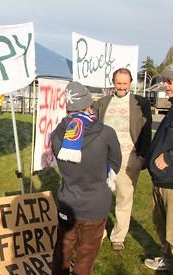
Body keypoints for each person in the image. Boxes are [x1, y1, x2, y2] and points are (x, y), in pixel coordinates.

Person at [51, 81, 122, 275]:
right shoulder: (107, 133)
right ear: (89, 105)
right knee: (86, 256)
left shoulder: (57, 134)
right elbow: (115, 164)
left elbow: (64, 164)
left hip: (68, 201)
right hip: (96, 204)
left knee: (62, 252)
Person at [93, 68, 152, 251]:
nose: (121, 87)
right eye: (118, 83)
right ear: (113, 82)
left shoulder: (140, 103)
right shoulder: (102, 103)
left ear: (131, 83)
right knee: (99, 198)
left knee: (124, 199)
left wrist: (141, 156)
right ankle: (98, 234)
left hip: (129, 159)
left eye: (125, 83)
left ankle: (118, 237)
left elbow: (146, 130)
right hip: (104, 159)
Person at [144, 64, 173, 272]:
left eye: (170, 81)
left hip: (171, 183)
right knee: (162, 227)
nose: (165, 85)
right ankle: (167, 258)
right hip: (160, 180)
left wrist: (170, 157)